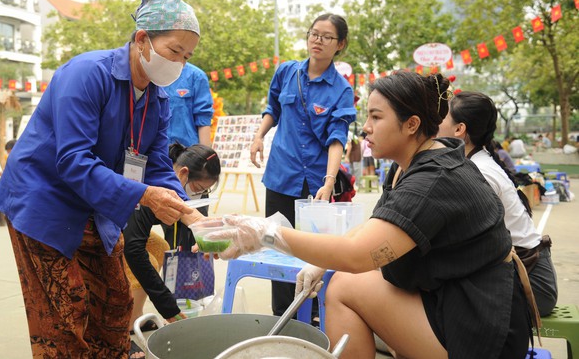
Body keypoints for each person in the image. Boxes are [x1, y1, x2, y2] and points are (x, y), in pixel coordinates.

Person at [215, 72, 531, 358]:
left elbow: (357, 256)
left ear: (412, 125)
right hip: (457, 298)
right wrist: (320, 262)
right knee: (343, 279)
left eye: (376, 117)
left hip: (481, 327)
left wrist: (264, 234)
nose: (365, 127)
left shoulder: (433, 180)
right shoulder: (417, 161)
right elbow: (374, 228)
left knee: (342, 287)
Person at [0, 0, 201, 358]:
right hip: (43, 201)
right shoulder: (87, 73)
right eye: (173, 51)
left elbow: (154, 162)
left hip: (95, 204)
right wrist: (143, 195)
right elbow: (72, 160)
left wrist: (191, 215)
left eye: (186, 57)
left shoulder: (158, 98)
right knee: (64, 316)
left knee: (115, 302)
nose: (179, 64)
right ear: (142, 40)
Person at [249, 13, 356, 317]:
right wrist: (259, 137)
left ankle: (309, 316)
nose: (317, 41)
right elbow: (273, 109)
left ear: (340, 44)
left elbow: (337, 137)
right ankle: (281, 316)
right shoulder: (286, 72)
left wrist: (329, 180)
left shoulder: (341, 90)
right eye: (314, 34)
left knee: (312, 252)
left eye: (326, 37)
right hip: (281, 176)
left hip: (315, 186)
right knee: (277, 246)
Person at [438, 90, 558, 316]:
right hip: (521, 274)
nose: (435, 124)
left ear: (459, 129)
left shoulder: (480, 171)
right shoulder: (477, 162)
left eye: (442, 119)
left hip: (533, 285)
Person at [123, 143, 220, 357]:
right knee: (141, 259)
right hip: (108, 225)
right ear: (183, 173)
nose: (200, 195)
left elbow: (192, 223)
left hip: (128, 230)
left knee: (160, 247)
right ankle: (120, 333)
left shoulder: (178, 184)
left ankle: (133, 316)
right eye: (198, 189)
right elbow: (133, 248)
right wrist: (168, 308)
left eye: (206, 191)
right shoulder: (153, 186)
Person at [162, 61, 214, 248]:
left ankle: (194, 276)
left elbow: (204, 119)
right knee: (168, 231)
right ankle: (167, 276)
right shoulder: (154, 74)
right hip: (160, 166)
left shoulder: (195, 76)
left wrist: (205, 166)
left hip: (190, 167)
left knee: (194, 233)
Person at [164, 62, 213, 147]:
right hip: (153, 151)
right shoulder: (149, 75)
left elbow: (203, 118)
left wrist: (204, 155)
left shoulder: (196, 76)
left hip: (186, 151)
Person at [344, 123, 362, 189]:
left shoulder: (347, 133)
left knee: (356, 168)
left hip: (356, 150)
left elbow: (350, 146)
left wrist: (346, 157)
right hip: (352, 151)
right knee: (351, 169)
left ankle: (358, 184)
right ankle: (352, 184)